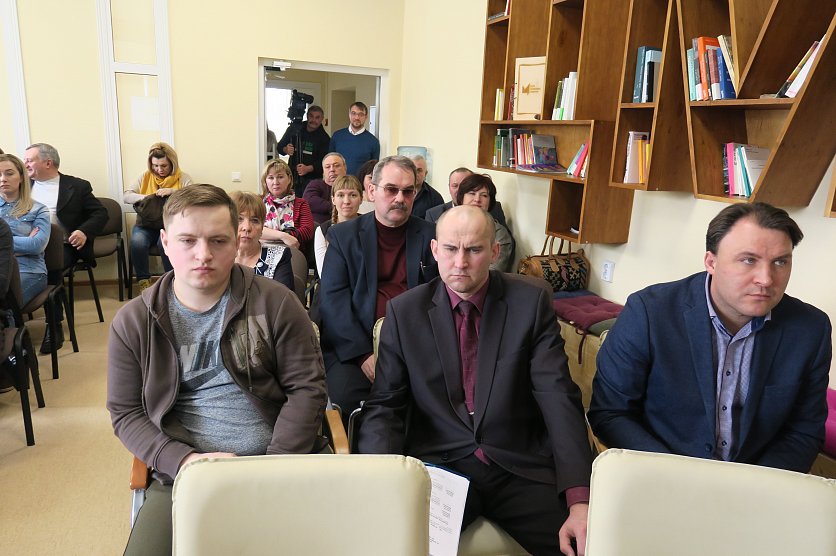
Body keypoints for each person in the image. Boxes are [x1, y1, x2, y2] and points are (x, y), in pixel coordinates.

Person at [358, 205, 592, 556]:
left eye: (474, 249)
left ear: (495, 252)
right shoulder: (405, 312)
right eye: (450, 249)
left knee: (584, 547)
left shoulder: (530, 302)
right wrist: (383, 482)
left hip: (518, 464)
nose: (460, 262)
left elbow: (557, 395)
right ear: (435, 250)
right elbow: (385, 405)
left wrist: (579, 499)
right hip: (442, 468)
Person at [107, 184, 327, 555]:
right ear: (165, 242)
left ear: (236, 241)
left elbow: (307, 389)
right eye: (187, 240)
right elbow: (125, 412)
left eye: (218, 240)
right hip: (185, 472)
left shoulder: (277, 302)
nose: (203, 254)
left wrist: (275, 465)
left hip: (284, 460)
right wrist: (183, 460)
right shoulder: (133, 321)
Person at [589, 202, 832, 474]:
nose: (766, 279)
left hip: (755, 483)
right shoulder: (649, 312)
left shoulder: (811, 329)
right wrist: (677, 477)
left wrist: (755, 486)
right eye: (748, 260)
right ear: (711, 262)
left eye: (780, 262)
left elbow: (803, 430)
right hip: (659, 473)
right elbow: (610, 412)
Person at [319, 155, 437, 417]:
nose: (400, 198)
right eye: (391, 189)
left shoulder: (431, 235)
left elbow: (440, 297)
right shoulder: (343, 236)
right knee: (349, 400)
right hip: (355, 348)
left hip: (416, 346)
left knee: (430, 403)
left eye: (408, 191)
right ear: (372, 191)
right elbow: (333, 301)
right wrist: (363, 355)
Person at [25, 142, 107, 352]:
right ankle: (13, 327)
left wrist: (83, 231)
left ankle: (54, 325)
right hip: (28, 245)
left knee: (48, 268)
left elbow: (100, 213)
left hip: (64, 246)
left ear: (48, 163)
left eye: (29, 160)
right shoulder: (22, 186)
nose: (25, 165)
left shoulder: (77, 186)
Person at [123, 142, 193, 293]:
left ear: (172, 163)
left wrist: (173, 191)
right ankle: (144, 281)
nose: (159, 170)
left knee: (165, 245)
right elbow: (126, 196)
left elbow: (193, 196)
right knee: (137, 243)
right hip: (145, 226)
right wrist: (148, 197)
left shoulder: (183, 178)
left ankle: (172, 280)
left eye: (164, 166)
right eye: (155, 165)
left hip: (171, 226)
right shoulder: (145, 176)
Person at [0, 154, 51, 307]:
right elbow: (29, 244)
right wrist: (23, 243)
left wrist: (3, 246)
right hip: (1, 268)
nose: (3, 179)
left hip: (28, 270)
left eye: (9, 173)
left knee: (4, 304)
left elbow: (36, 245)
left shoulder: (39, 209)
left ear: (22, 177)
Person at [230, 191, 294, 292]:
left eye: (255, 220)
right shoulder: (217, 256)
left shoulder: (278, 257)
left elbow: (283, 300)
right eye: (239, 219)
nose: (247, 227)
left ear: (262, 228)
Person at [456, 174, 514, 272]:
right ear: (462, 198)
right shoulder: (447, 225)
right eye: (472, 193)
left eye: (484, 195)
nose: (477, 199)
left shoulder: (499, 233)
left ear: (490, 202)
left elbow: (493, 271)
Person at [260, 159, 314, 253]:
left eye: (280, 177)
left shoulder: (301, 203)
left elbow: (307, 231)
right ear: (265, 181)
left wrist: (269, 234)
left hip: (291, 253)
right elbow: (252, 229)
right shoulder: (258, 202)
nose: (275, 182)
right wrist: (283, 236)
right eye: (271, 178)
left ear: (289, 179)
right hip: (260, 251)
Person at [313, 175, 363, 276]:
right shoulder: (322, 230)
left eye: (353, 195)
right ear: (333, 200)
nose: (346, 201)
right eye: (340, 195)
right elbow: (324, 273)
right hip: (333, 283)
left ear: (361, 199)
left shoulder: (370, 226)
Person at [277, 105, 331, 197]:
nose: (314, 120)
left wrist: (308, 168)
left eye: (317, 117)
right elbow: (279, 147)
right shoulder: (294, 129)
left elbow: (324, 161)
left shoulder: (324, 138)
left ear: (322, 119)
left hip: (312, 179)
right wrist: (285, 149)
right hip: (291, 176)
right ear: (307, 116)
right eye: (311, 116)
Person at [425, 167, 508, 227]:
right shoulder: (434, 215)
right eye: (455, 186)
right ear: (449, 187)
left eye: (464, 185)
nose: (459, 190)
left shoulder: (494, 211)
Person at [328, 102, 380, 175]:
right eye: (353, 113)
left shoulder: (373, 141)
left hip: (360, 182)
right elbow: (329, 161)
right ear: (349, 114)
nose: (357, 117)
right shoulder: (337, 136)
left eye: (361, 114)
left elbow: (373, 170)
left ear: (366, 117)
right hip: (338, 181)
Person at [303, 152, 347, 225]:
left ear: (345, 168)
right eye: (327, 167)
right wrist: (336, 207)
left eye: (336, 166)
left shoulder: (352, 186)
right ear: (323, 171)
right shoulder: (316, 184)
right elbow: (309, 201)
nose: (332, 169)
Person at [408, 154, 444, 219]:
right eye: (413, 170)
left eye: (419, 170)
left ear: (425, 173)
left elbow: (439, 223)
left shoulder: (435, 198)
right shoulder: (398, 192)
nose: (416, 174)